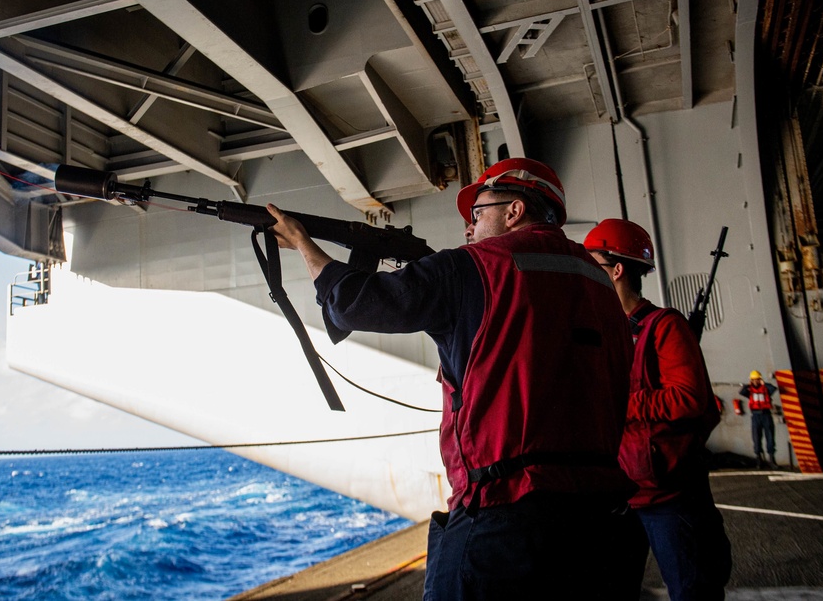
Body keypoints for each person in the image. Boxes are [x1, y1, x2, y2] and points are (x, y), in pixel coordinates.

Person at [267, 158, 637, 600]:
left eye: (477, 213)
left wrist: (302, 243)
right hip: (601, 519)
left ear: (514, 211)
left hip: (505, 517)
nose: (468, 227)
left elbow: (353, 303)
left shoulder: (475, 266)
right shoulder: (599, 282)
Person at [584, 218, 732, 601]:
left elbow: (689, 398)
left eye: (591, 264)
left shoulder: (664, 327)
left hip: (668, 495)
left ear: (616, 270)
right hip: (617, 492)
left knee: (692, 590)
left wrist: (619, 403)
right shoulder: (600, 332)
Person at [740, 370, 779, 468]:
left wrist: (764, 383)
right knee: (756, 438)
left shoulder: (766, 389)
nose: (755, 382)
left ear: (760, 379)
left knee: (770, 437)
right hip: (756, 416)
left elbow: (773, 389)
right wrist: (747, 385)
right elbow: (742, 392)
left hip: (766, 415)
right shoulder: (750, 391)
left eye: (757, 379)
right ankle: (759, 461)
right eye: (753, 380)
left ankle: (772, 460)